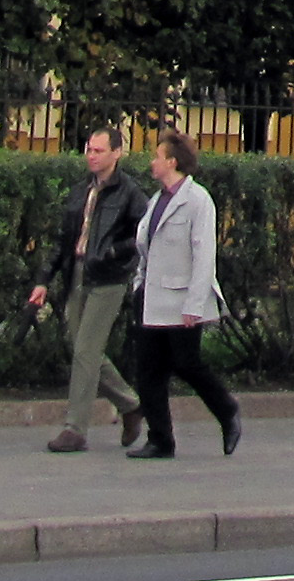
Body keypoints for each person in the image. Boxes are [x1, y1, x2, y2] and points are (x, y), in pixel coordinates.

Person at [23, 124, 148, 452]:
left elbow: (143, 235)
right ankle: (131, 405)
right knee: (80, 347)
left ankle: (75, 429)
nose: (90, 156)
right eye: (88, 149)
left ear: (117, 153)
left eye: (98, 150)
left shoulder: (130, 193)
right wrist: (43, 281)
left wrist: (112, 253)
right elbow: (63, 242)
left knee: (86, 351)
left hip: (108, 278)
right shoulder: (81, 190)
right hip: (77, 273)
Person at [125, 130, 235, 460]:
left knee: (188, 364)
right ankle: (160, 439)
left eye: (157, 156)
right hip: (152, 298)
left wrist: (194, 304)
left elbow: (204, 256)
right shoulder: (156, 200)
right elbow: (146, 248)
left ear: (171, 162)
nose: (152, 162)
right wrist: (138, 286)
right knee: (149, 370)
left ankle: (227, 412)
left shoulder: (198, 200)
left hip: (183, 298)